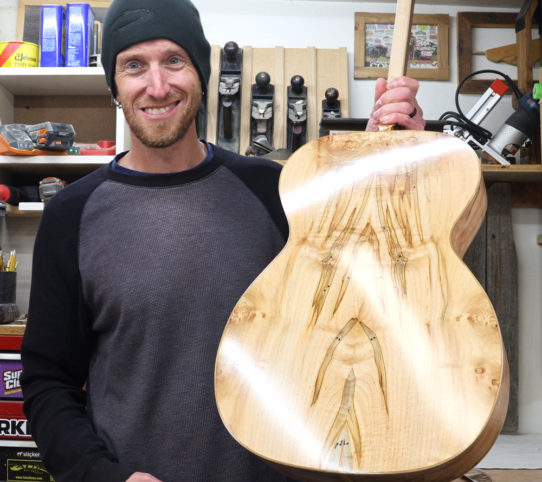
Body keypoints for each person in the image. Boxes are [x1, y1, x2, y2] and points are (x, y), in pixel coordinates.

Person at [20, 0, 425, 481]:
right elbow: (48, 382)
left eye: (174, 60)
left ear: (203, 72)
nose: (157, 85)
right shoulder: (73, 214)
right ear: (114, 85)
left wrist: (400, 158)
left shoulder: (275, 189)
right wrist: (104, 476)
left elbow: (372, 291)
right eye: (133, 66)